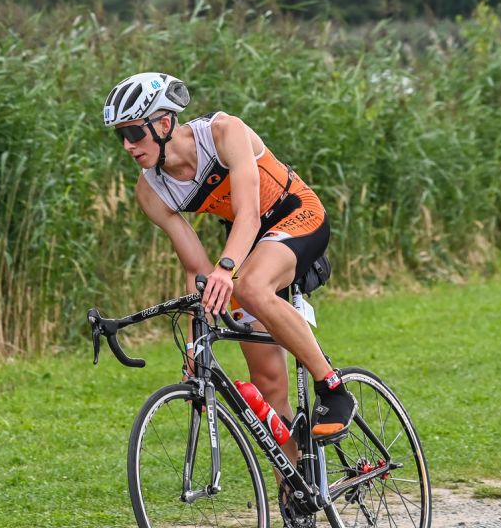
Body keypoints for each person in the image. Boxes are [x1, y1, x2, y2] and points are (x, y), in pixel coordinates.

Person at [102, 72, 355, 445]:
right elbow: (196, 269)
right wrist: (195, 342)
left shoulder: (223, 133)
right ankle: (295, 478)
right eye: (120, 136)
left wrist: (225, 270)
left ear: (164, 123)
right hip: (246, 246)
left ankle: (333, 388)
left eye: (134, 132)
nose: (127, 145)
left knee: (249, 286)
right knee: (268, 386)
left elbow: (249, 214)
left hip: (296, 215)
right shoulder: (151, 191)